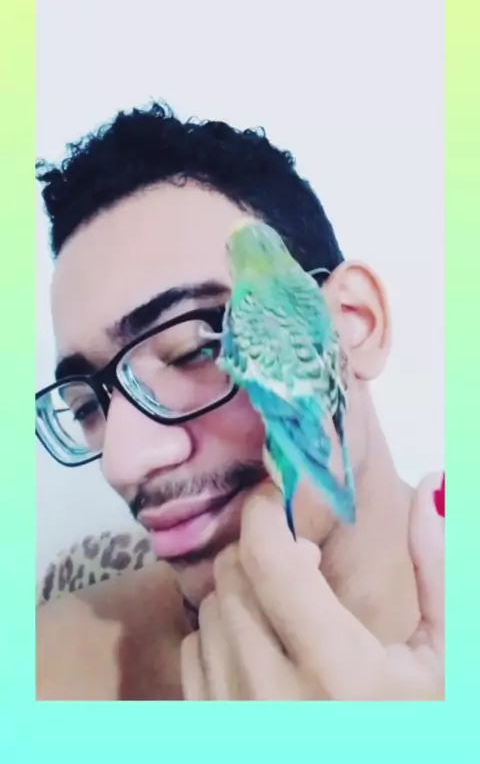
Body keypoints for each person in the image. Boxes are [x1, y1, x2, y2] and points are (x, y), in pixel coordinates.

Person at [35, 102, 444, 700]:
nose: (121, 464)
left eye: (194, 349)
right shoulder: (45, 669)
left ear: (355, 323)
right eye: (87, 407)